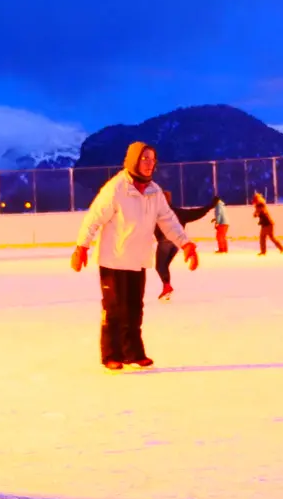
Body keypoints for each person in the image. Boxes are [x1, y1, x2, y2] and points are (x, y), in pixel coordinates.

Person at [72, 141, 196, 370]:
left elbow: (168, 220)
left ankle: (133, 352)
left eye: (152, 160)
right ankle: (111, 354)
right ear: (133, 160)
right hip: (113, 260)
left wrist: (185, 243)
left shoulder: (154, 191)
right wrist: (82, 246)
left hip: (138, 260)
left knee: (134, 309)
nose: (150, 164)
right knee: (114, 309)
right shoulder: (117, 188)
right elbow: (94, 217)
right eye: (144, 159)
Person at [154, 202, 215, 299]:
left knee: (160, 266)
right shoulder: (179, 212)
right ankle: (166, 287)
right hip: (177, 243)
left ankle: (167, 286)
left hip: (165, 241)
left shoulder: (157, 213)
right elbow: (196, 213)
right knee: (164, 266)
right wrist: (209, 206)